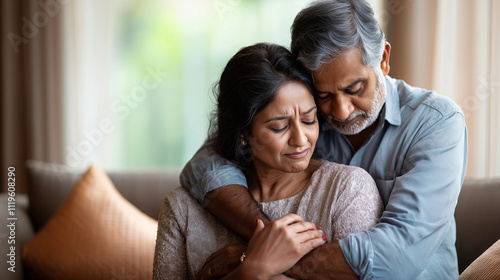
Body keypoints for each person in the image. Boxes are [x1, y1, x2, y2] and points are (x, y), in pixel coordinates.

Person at [180, 0, 468, 279]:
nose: (341, 111)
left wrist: (259, 258)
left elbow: (396, 258)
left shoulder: (436, 122)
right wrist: (267, 238)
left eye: (355, 88)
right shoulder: (304, 118)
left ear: (383, 60)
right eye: (324, 95)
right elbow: (204, 165)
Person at [153, 43, 383, 279]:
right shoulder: (183, 209)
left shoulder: (347, 190)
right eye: (279, 127)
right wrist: (250, 271)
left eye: (308, 120)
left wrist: (255, 262)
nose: (301, 139)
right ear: (243, 133)